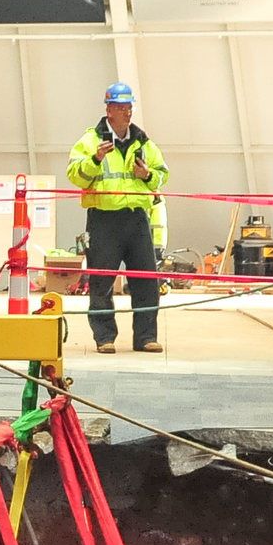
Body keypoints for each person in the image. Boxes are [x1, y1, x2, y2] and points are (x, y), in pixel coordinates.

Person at [68, 81, 166, 355]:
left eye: (129, 107)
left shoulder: (143, 142)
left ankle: (146, 337)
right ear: (109, 109)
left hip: (136, 219)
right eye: (122, 107)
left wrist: (147, 175)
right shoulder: (90, 140)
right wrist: (95, 160)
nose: (127, 112)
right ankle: (104, 337)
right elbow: (75, 174)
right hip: (104, 220)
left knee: (146, 280)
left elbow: (162, 173)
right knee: (101, 281)